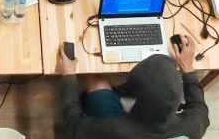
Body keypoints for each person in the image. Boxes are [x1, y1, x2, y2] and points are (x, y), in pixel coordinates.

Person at [56, 35, 209, 139]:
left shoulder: (112, 129)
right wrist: (187, 68)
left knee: (98, 81)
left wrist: (68, 77)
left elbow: (74, 126)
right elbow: (199, 107)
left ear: (132, 99)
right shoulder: (195, 125)